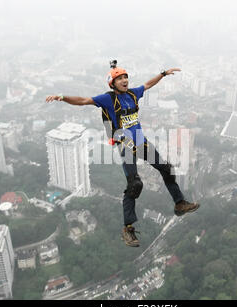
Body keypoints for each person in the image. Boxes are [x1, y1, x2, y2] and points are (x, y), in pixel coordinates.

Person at [46, 62, 199, 247]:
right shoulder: (108, 99)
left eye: (125, 77)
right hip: (125, 144)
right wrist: (62, 97)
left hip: (141, 142)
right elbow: (83, 101)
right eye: (120, 78)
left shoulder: (133, 94)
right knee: (134, 185)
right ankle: (127, 229)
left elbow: (148, 85)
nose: (124, 80)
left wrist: (163, 74)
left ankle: (179, 203)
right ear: (113, 83)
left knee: (166, 168)